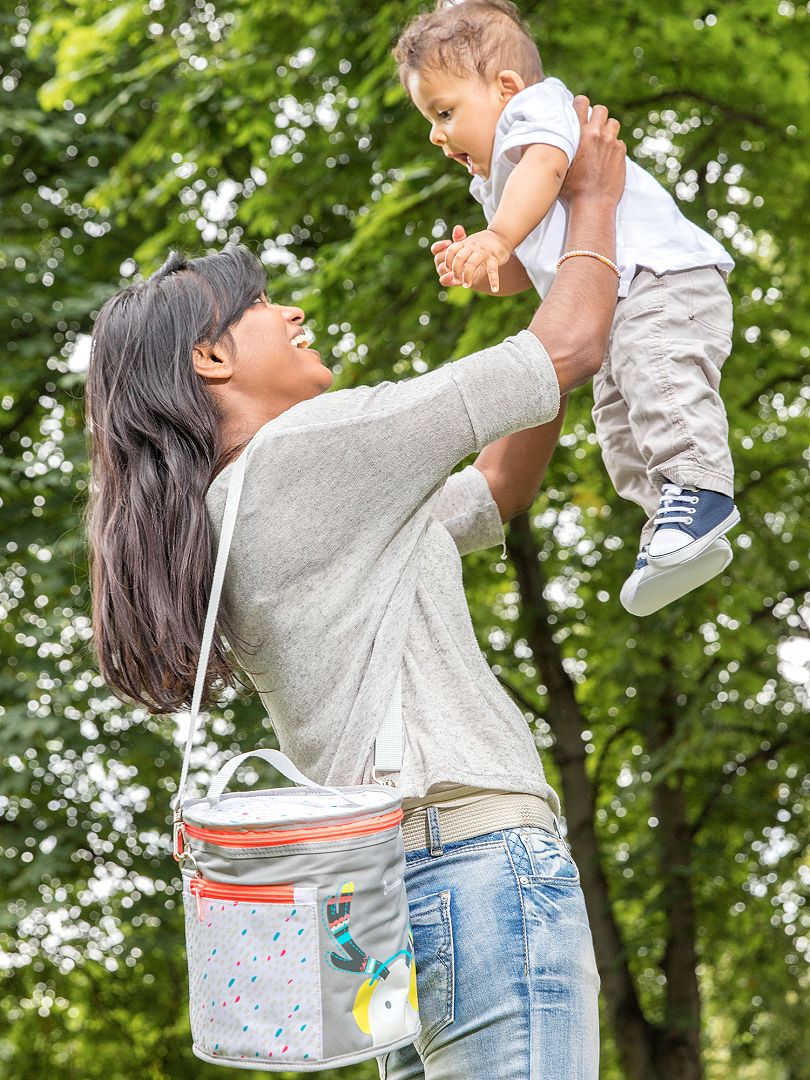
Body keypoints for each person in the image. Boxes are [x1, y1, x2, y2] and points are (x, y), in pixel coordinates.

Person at [85, 99, 623, 1080]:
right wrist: (591, 204)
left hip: (386, 916)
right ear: (211, 359)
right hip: (474, 876)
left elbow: (500, 485)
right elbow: (574, 350)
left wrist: (532, 300)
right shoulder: (311, 453)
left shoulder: (237, 512)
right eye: (259, 307)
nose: (290, 312)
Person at [394, 0, 740, 617]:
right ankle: (670, 522)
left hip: (660, 282)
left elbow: (554, 166)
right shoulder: (499, 178)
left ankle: (699, 489)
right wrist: (490, 269)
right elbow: (534, 270)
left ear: (504, 88)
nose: (435, 134)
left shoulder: (536, 113)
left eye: (445, 111)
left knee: (659, 380)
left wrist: (496, 235)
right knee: (617, 426)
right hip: (619, 308)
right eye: (430, 119)